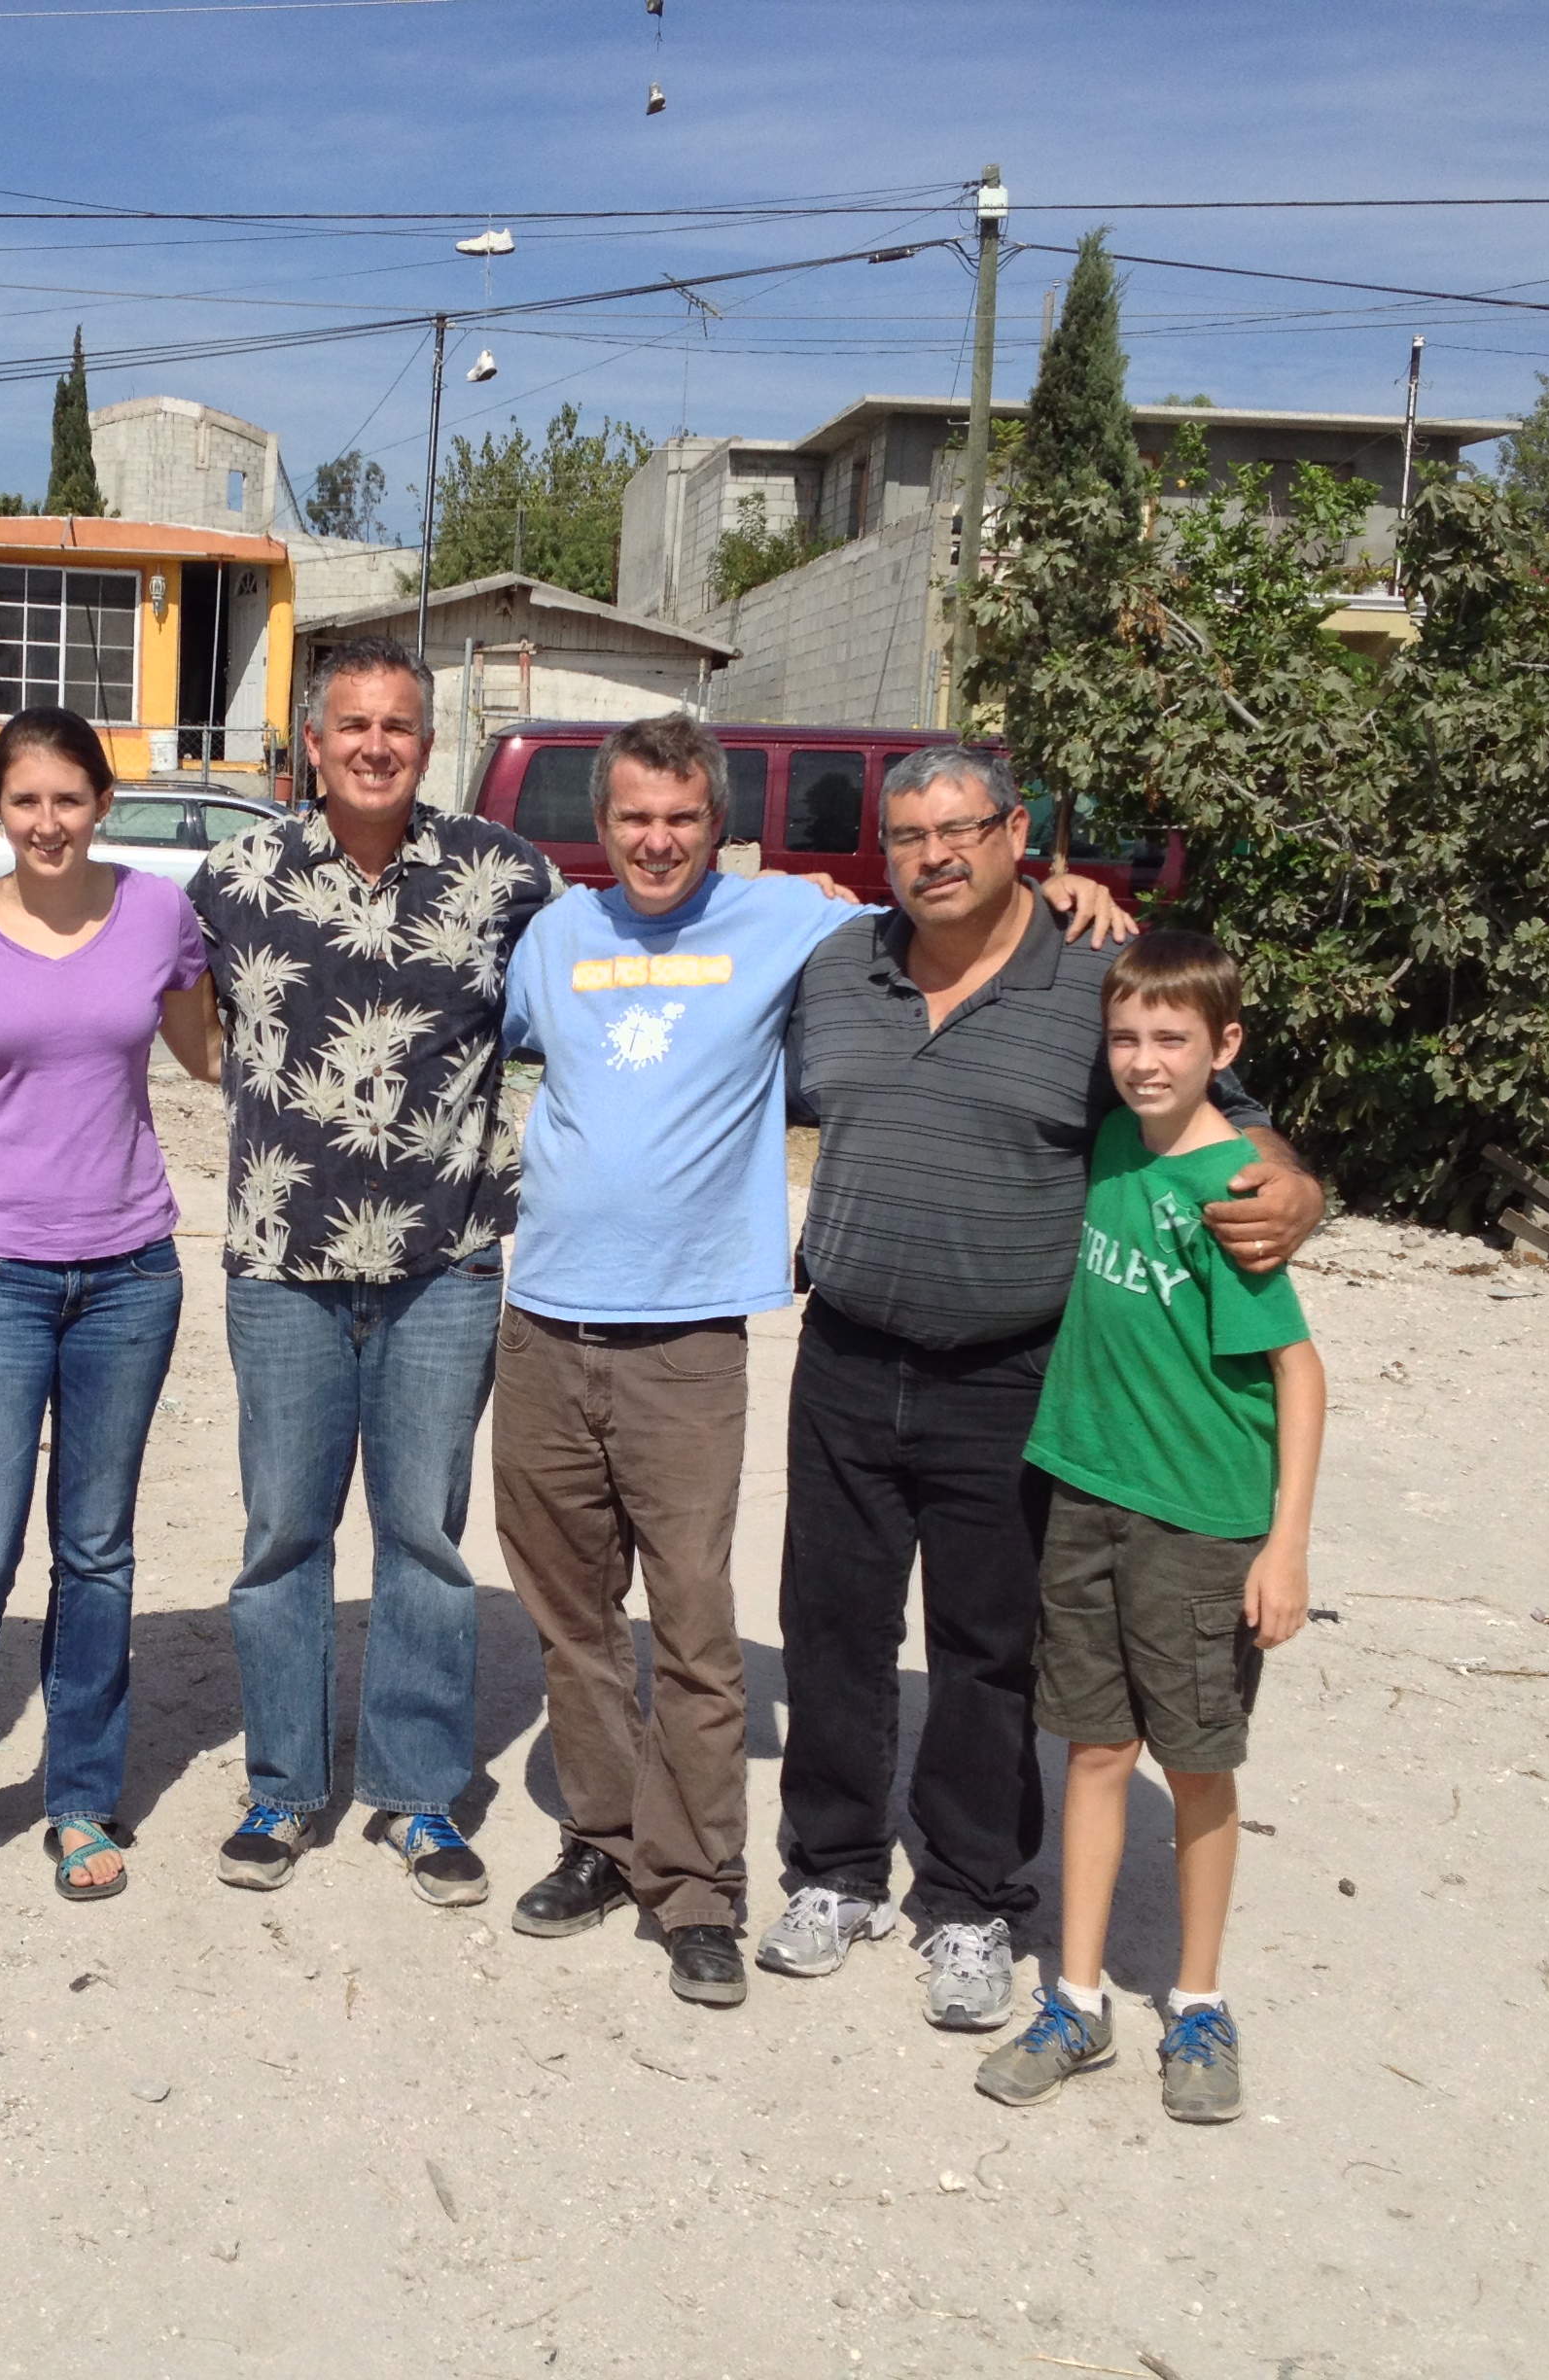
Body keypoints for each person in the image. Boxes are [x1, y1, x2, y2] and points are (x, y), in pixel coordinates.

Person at [0, 635, 563, 1908]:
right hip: (280, 1264)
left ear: (425, 745)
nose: (376, 744)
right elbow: (87, 900)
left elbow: (628, 937)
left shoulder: (505, 874)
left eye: (400, 726)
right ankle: (283, 1787)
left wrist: (809, 909)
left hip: (447, 1264)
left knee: (426, 1541)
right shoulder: (236, 873)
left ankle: (419, 1795)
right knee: (282, 1537)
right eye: (352, 725)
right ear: (312, 743)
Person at [761, 746, 1325, 2029]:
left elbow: (1226, 1116)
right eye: (908, 837)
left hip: (1010, 1374)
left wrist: (1293, 1186)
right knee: (833, 1625)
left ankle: (968, 1899)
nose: (934, 857)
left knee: (989, 1647)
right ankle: (837, 1871)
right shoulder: (840, 967)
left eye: (962, 830)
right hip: (846, 1352)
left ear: (1019, 835)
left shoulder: (1090, 984)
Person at [488, 714, 855, 2008]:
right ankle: (600, 1841)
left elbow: (952, 928)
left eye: (682, 819)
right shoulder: (555, 939)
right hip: (543, 1323)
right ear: (604, 825)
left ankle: (697, 1887)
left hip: (690, 1338)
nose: (656, 840)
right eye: (635, 817)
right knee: (571, 1618)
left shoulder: (786, 924)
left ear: (719, 824)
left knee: (695, 1627)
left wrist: (1074, 895)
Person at [0, 708, 219, 1911]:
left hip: (129, 1274)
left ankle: (79, 1800)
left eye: (70, 799)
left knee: (97, 1553)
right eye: (25, 802)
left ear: (102, 802)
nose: (49, 822)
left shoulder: (162, 915)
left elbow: (211, 1055)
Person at [976, 931, 1323, 2123]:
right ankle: (1075, 1999)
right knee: (1091, 1749)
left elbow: (1300, 1373)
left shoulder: (1232, 1189)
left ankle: (1199, 2001)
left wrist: (1287, 1547)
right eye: (1125, 1037)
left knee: (1199, 1762)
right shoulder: (1119, 1144)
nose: (1143, 1060)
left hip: (1201, 1522)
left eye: (1172, 1039)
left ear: (1225, 1050)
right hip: (1088, 1493)